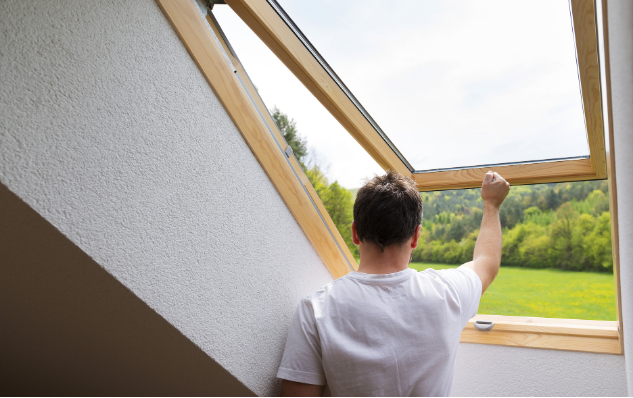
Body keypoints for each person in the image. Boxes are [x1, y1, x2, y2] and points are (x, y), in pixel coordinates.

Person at [277, 170, 510, 397]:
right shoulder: (448, 292)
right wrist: (491, 204)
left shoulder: (315, 310)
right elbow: (487, 262)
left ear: (355, 233)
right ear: (416, 236)